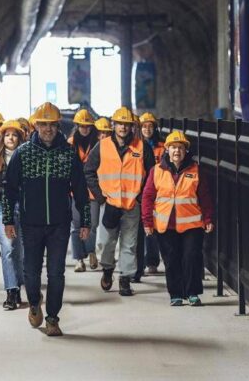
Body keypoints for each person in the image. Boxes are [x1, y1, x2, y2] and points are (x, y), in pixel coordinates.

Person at [2, 102, 91, 336]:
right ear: (36, 125)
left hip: (59, 225)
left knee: (56, 273)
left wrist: (85, 221)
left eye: (52, 125)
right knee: (31, 272)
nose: (48, 129)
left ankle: (52, 317)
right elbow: (9, 189)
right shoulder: (23, 154)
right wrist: (8, 220)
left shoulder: (68, 153)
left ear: (57, 126)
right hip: (31, 224)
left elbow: (81, 190)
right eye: (44, 124)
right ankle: (34, 302)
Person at [84, 106, 155, 297]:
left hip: (132, 205)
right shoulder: (103, 146)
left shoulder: (142, 147)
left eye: (126, 124)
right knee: (106, 243)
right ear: (114, 125)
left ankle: (125, 278)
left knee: (129, 244)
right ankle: (107, 270)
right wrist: (100, 197)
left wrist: (140, 198)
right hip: (110, 204)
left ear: (132, 126)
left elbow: (152, 175)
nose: (123, 127)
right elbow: (88, 171)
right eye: (120, 124)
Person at [141, 130, 215, 306]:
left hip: (192, 224)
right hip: (166, 225)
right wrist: (147, 221)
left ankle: (192, 293)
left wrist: (208, 219)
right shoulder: (156, 171)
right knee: (171, 259)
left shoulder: (196, 170)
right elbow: (147, 196)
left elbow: (205, 197)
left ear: (186, 151)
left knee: (191, 257)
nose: (177, 151)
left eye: (180, 148)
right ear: (167, 149)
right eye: (173, 147)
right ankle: (176, 294)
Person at [0, 119, 26, 310]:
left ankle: (17, 287)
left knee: (19, 251)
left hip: (25, 208)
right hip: (3, 207)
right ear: (3, 137)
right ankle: (11, 291)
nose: (11, 138)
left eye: (15, 134)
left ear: (20, 138)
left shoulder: (27, 158)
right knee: (9, 248)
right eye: (8, 134)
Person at [67, 109, 100, 272]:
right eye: (82, 126)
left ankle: (91, 252)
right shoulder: (71, 142)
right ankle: (79, 259)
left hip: (92, 190)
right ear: (77, 126)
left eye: (88, 126)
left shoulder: (98, 143)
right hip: (75, 190)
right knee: (76, 225)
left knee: (92, 224)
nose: (85, 129)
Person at [137, 112, 164, 278]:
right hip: (139, 191)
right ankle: (138, 263)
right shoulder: (135, 146)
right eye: (144, 126)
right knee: (139, 230)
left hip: (157, 191)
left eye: (150, 126)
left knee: (152, 228)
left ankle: (152, 261)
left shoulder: (162, 147)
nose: (147, 129)